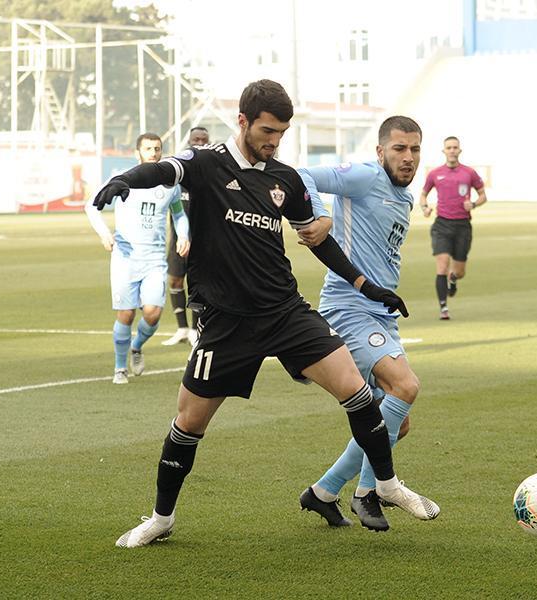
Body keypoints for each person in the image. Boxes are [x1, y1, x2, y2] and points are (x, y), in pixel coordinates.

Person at [93, 79, 437, 548]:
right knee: (188, 424)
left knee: (358, 393)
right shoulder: (207, 162)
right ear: (243, 121)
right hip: (226, 322)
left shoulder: (284, 178)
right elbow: (164, 170)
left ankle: (385, 485)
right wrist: (125, 180)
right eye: (267, 131)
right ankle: (161, 518)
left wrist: (365, 285)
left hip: (285, 312)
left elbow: (320, 242)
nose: (274, 141)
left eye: (281, 133)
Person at [297, 116, 438, 532]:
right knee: (405, 387)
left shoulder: (404, 197)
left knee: (397, 422)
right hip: (348, 308)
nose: (408, 157)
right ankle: (367, 492)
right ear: (380, 151)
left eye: (414, 149)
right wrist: (319, 216)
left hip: (380, 313)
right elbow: (302, 174)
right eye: (399, 148)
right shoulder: (364, 176)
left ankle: (323, 492)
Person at [85, 133, 190, 384]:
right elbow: (91, 206)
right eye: (148, 148)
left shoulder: (170, 186)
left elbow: (179, 214)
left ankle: (137, 346)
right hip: (125, 258)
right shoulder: (123, 179)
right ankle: (120, 368)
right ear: (137, 153)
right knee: (126, 314)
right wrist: (104, 234)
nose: (153, 153)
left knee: (153, 314)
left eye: (157, 148)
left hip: (154, 259)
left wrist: (184, 235)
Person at [418, 136, 487, 319]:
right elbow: (423, 195)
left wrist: (473, 204)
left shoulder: (469, 173)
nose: (452, 150)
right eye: (449, 147)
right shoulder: (435, 174)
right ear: (444, 151)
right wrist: (425, 208)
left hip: (463, 226)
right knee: (442, 265)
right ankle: (443, 308)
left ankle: (454, 279)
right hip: (442, 225)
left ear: (459, 150)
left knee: (459, 271)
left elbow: (483, 195)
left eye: (455, 147)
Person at [162, 126, 210, 347]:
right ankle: (182, 328)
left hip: (204, 242)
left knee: (198, 285)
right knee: (175, 280)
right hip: (179, 240)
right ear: (189, 142)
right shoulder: (179, 173)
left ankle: (195, 330)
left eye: (203, 139)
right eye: (195, 139)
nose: (199, 142)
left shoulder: (212, 173)